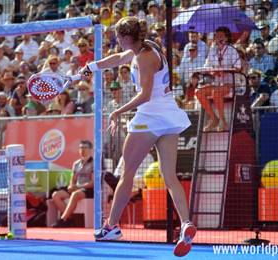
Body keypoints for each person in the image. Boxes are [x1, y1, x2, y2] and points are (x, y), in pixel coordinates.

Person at [80, 17, 195, 257]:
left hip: (150, 117)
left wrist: (117, 111)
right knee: (169, 175)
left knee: (127, 174)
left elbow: (144, 95)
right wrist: (92, 67)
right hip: (169, 115)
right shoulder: (147, 46)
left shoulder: (143, 58)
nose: (116, 41)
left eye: (118, 37)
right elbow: (119, 59)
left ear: (125, 37)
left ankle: (110, 227)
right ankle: (186, 223)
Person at [195, 26, 242, 132]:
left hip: (231, 82)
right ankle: (214, 119)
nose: (218, 38)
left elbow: (238, 67)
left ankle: (223, 122)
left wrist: (225, 71)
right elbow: (207, 67)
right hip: (217, 82)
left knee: (216, 92)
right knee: (198, 92)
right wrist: (212, 71)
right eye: (217, 36)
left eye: (221, 36)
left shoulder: (232, 50)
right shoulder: (212, 50)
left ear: (227, 38)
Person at [51, 140, 94, 228]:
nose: (82, 150)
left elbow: (93, 183)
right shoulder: (76, 164)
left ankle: (63, 220)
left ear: (90, 150)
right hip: (76, 188)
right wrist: (71, 186)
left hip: (87, 190)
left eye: (85, 148)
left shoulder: (94, 163)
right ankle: (69, 219)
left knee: (75, 194)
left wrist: (78, 187)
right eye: (81, 148)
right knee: (56, 195)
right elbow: (73, 179)